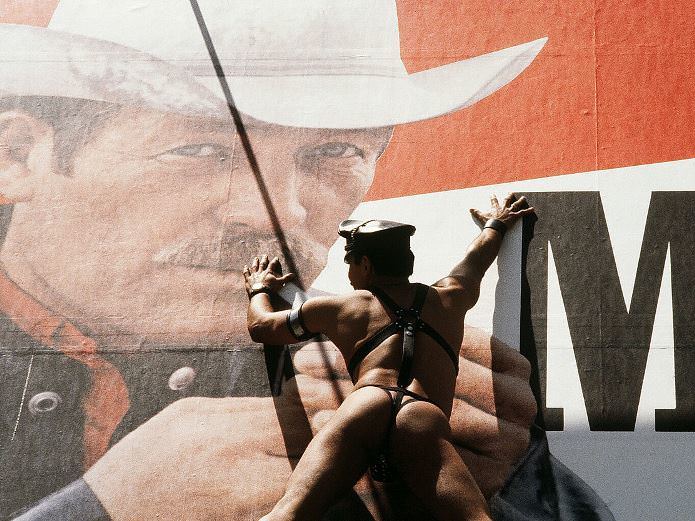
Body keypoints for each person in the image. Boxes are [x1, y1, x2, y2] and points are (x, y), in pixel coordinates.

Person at [0, 1, 553, 519]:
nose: (275, 214)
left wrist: (512, 490)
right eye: (197, 151)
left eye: (333, 152)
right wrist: (103, 510)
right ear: (18, 155)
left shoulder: (366, 362)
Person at [244, 194, 535, 519]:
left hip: (365, 404)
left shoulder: (345, 307)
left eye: (349, 262)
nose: (349, 272)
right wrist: (495, 224)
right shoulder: (451, 297)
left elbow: (263, 326)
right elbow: (475, 261)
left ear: (365, 264)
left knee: (289, 512)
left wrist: (259, 288)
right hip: (421, 415)